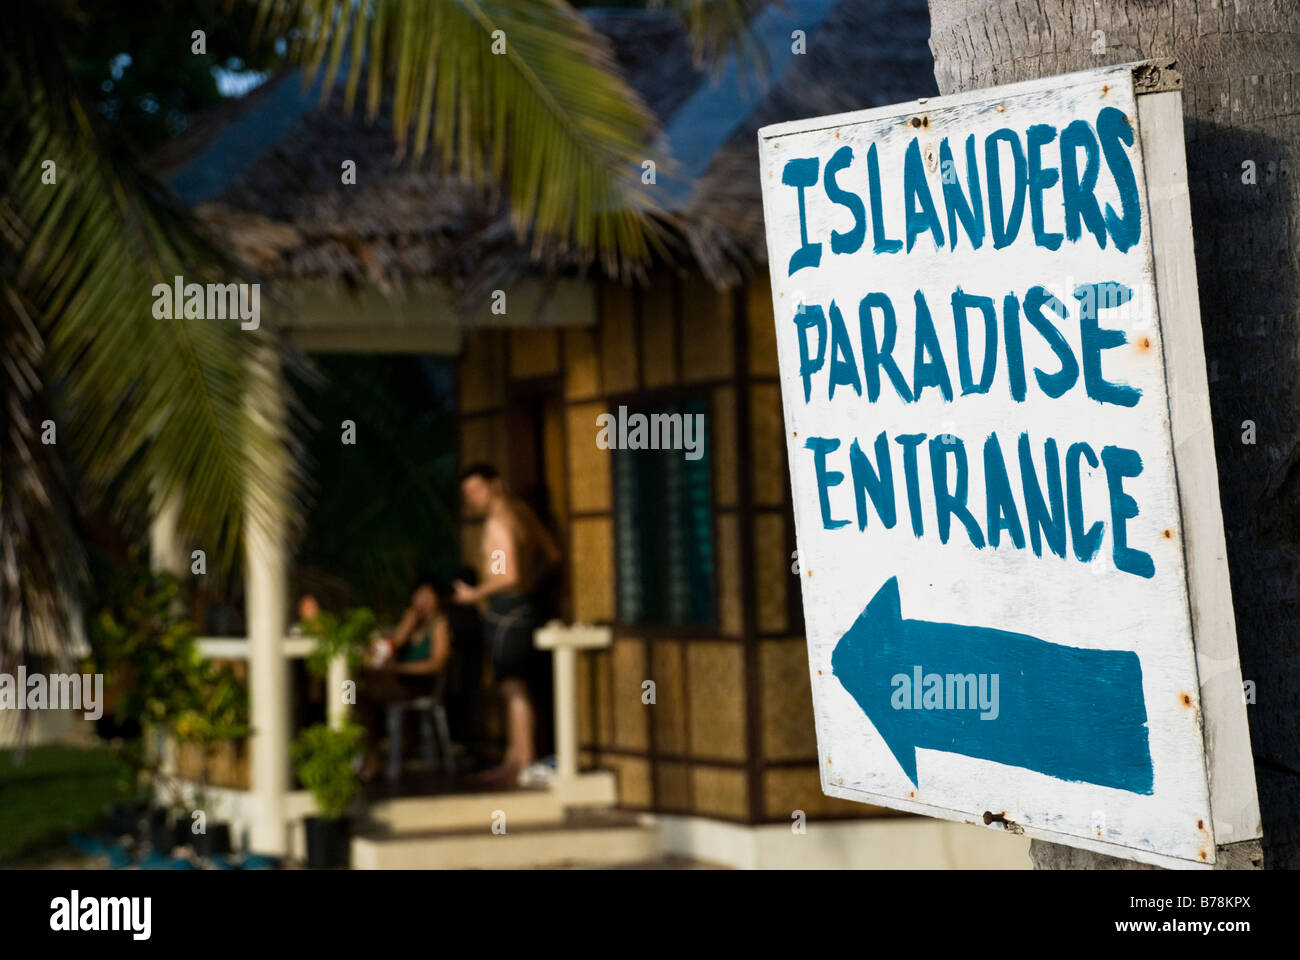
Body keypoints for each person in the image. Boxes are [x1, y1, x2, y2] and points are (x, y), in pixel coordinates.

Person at [453, 463, 561, 786]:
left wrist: (475, 594)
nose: (472, 498)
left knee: (514, 687)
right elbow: (551, 555)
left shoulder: (498, 522)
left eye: (476, 490)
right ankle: (514, 757)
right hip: (523, 607)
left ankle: (523, 758)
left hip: (508, 610)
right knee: (513, 685)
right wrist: (533, 588)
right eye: (467, 493)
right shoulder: (521, 513)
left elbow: (507, 574)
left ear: (495, 486)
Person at [356, 577, 452, 782]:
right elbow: (389, 650)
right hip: (399, 681)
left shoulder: (439, 624)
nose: (423, 600)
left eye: (428, 595)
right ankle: (370, 752)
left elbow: (437, 663)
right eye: (419, 594)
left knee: (362, 693)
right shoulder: (410, 624)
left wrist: (402, 667)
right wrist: (406, 625)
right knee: (358, 692)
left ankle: (372, 755)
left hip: (421, 684)